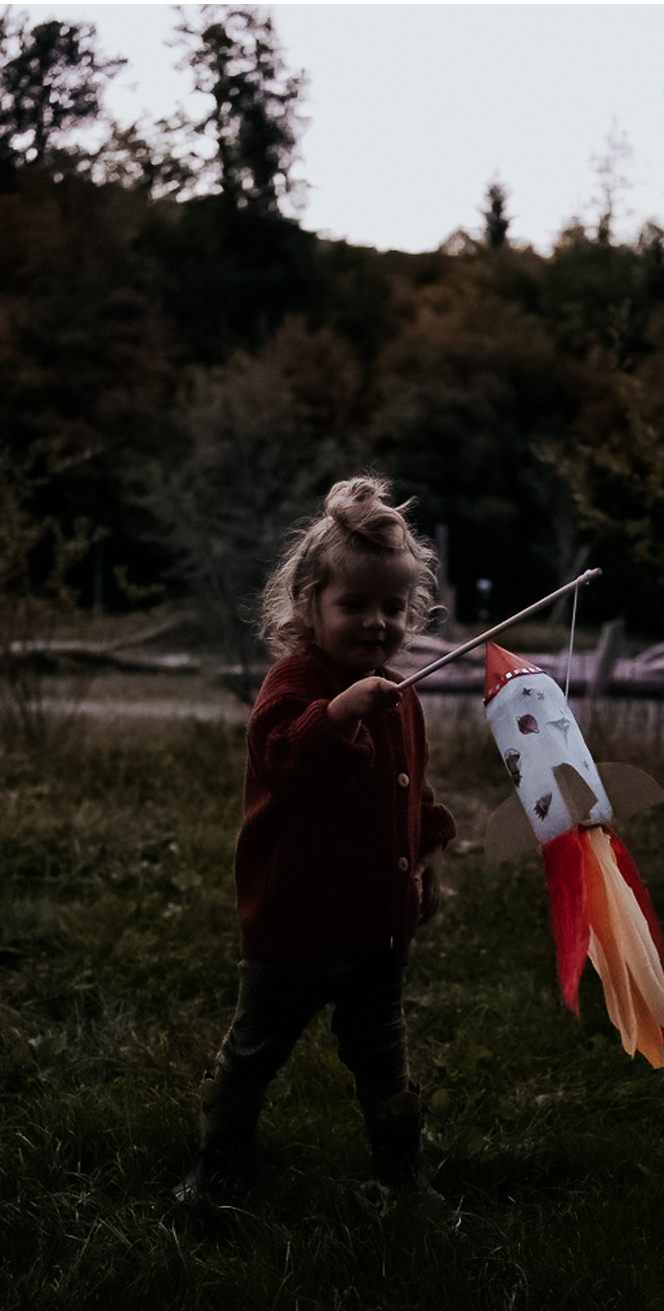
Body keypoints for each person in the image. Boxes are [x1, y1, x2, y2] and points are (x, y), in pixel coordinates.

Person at [175, 477, 453, 1204]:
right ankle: (215, 1170)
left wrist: (425, 859)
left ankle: (401, 1175)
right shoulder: (294, 681)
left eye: (394, 607)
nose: (376, 623)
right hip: (294, 926)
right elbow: (286, 760)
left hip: (374, 932)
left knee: (383, 1057)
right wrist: (337, 715)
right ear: (308, 606)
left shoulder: (403, 693)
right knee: (254, 1050)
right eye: (353, 605)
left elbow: (408, 791)